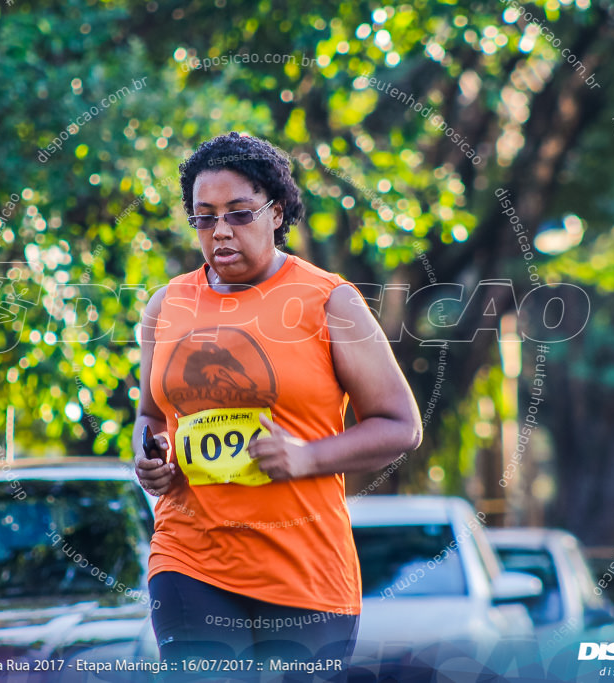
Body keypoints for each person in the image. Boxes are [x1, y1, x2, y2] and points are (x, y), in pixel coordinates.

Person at [133, 132, 421, 682]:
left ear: (277, 211)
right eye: (204, 217)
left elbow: (401, 426)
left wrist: (306, 456)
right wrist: (148, 457)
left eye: (239, 214)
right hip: (189, 555)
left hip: (305, 570)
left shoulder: (328, 301)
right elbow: (150, 414)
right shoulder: (166, 305)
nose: (220, 231)